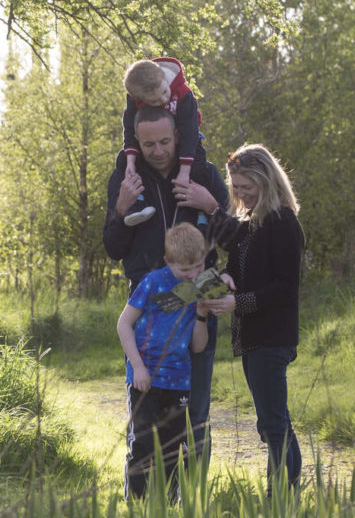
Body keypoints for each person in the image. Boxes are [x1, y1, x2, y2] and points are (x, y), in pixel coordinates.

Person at [104, 106, 226, 460]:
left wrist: (212, 204)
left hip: (202, 284)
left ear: (178, 136)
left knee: (197, 408)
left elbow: (233, 237)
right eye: (148, 144)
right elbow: (113, 248)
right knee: (146, 407)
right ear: (136, 142)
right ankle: (147, 492)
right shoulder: (125, 176)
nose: (157, 151)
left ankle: (193, 497)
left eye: (165, 142)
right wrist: (121, 210)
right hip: (147, 296)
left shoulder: (203, 172)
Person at [200, 143, 305, 492]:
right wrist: (229, 278)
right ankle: (286, 494)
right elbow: (238, 262)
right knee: (273, 424)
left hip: (272, 337)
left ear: (268, 181)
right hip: (253, 337)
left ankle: (280, 497)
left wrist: (238, 303)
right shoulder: (253, 223)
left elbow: (285, 288)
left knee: (274, 426)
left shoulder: (283, 223)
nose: (241, 195)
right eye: (236, 188)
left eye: (248, 187)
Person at [116, 223, 211, 499]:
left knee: (172, 448)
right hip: (144, 379)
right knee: (143, 442)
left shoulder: (200, 285)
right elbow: (123, 324)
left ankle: (168, 504)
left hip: (178, 381)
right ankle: (135, 503)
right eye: (185, 270)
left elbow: (198, 345)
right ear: (169, 261)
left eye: (198, 267)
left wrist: (202, 314)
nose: (192, 275)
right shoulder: (152, 282)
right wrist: (138, 367)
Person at [119, 58, 215, 226]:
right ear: (138, 99)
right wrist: (130, 162)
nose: (163, 100)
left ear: (164, 78)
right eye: (154, 101)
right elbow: (129, 129)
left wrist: (185, 171)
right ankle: (138, 205)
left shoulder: (184, 94)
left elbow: (189, 132)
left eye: (164, 92)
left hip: (187, 139)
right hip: (157, 139)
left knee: (198, 169)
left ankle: (201, 217)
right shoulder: (134, 99)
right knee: (132, 167)